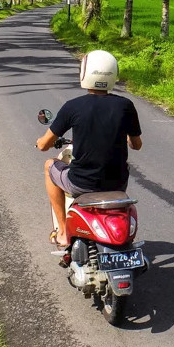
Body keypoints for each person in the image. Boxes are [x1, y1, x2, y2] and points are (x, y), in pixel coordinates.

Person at [36, 50, 143, 248]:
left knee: (49, 165)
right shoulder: (125, 106)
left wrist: (41, 142)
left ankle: (62, 231)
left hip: (81, 184)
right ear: (113, 74)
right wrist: (126, 136)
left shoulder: (73, 107)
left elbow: (43, 145)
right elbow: (137, 145)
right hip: (117, 184)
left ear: (85, 73)